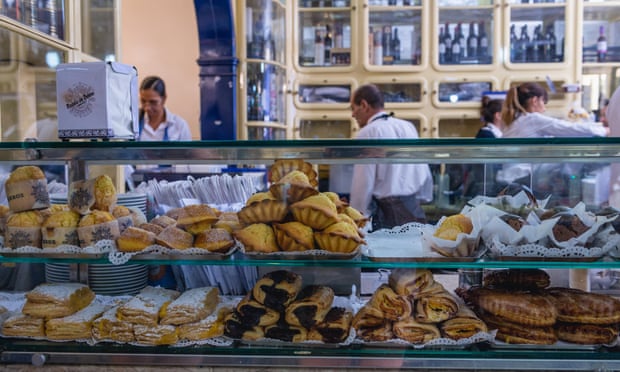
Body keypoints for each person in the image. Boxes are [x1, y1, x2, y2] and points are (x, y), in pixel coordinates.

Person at [499, 82, 608, 204]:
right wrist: (605, 130)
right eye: (544, 103)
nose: (544, 108)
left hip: (512, 181)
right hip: (523, 179)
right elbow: (569, 129)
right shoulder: (532, 119)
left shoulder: (514, 122)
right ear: (535, 100)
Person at [348, 84, 433, 231]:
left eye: (353, 108)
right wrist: (424, 197)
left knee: (390, 252)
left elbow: (363, 182)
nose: (352, 115)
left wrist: (356, 216)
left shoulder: (367, 133)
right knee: (417, 250)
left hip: (389, 212)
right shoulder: (408, 126)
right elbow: (423, 169)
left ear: (364, 105)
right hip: (415, 208)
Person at [138, 75, 192, 141]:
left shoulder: (179, 125)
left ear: (164, 99)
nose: (147, 108)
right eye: (143, 101)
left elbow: (187, 151)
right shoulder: (134, 123)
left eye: (153, 102)